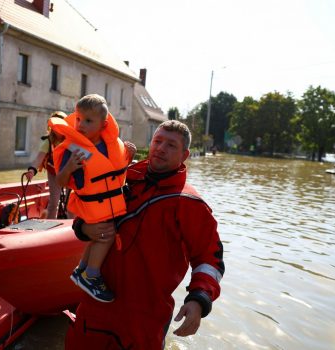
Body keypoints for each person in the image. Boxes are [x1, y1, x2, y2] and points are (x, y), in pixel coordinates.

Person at [65, 120, 225, 349]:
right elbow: (87, 211)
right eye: (157, 141)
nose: (161, 148)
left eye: (171, 145)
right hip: (95, 306)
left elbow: (210, 259)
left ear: (185, 154)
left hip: (144, 319)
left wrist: (199, 300)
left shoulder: (190, 204)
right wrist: (84, 228)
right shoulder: (120, 178)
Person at [50, 94, 135, 303]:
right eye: (78, 119)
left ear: (103, 124)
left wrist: (129, 155)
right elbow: (60, 181)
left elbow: (118, 171)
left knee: (100, 236)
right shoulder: (74, 149)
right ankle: (92, 275)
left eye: (88, 121)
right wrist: (69, 167)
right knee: (106, 235)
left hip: (109, 203)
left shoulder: (112, 143)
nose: (81, 125)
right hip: (91, 205)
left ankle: (82, 269)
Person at [25, 111, 67, 219]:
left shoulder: (71, 140)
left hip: (69, 172)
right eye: (55, 126)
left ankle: (71, 225)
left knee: (71, 201)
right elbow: (39, 158)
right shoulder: (48, 142)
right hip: (54, 173)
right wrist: (32, 171)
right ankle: (50, 224)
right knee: (54, 201)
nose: (58, 129)